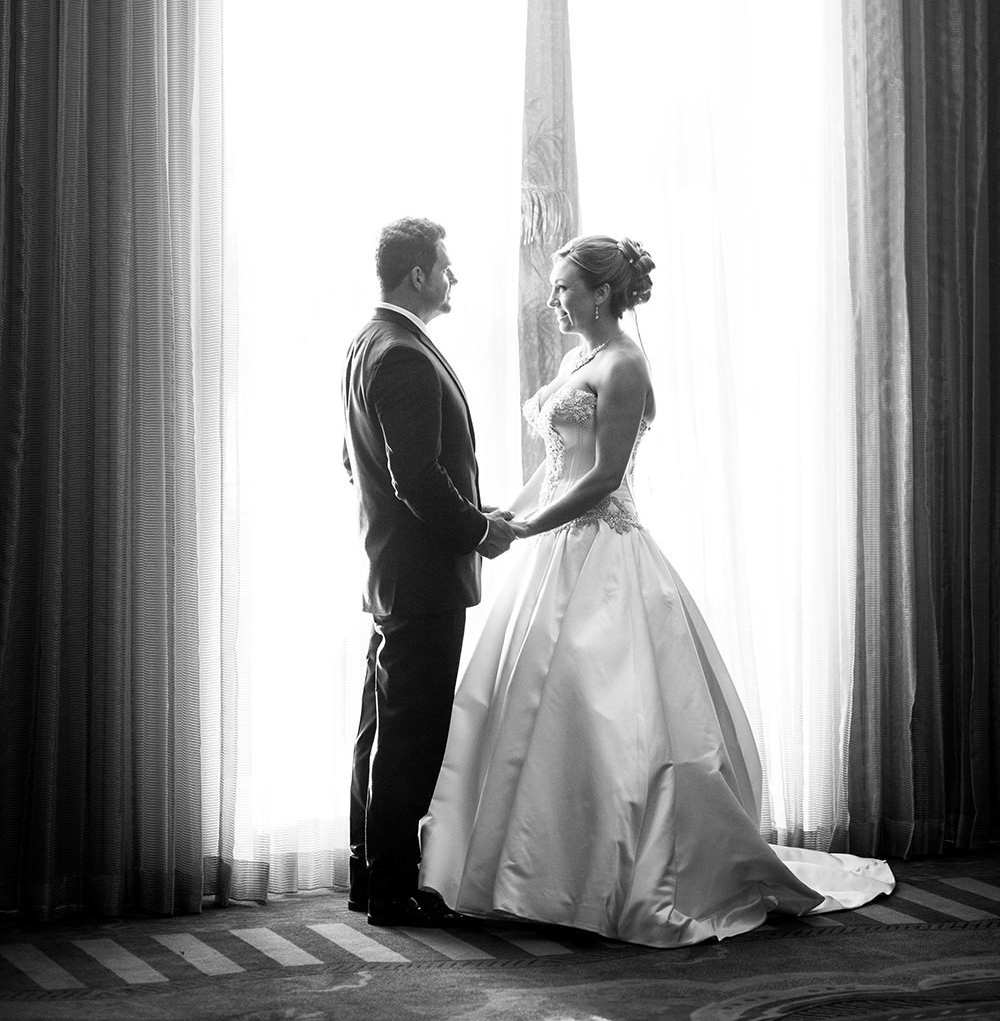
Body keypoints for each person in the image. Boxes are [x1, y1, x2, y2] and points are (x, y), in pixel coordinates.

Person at [419, 234, 894, 947]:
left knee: (605, 711)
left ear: (602, 293)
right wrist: (507, 518)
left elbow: (603, 478)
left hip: (603, 551)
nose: (553, 300)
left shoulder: (626, 363)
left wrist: (524, 530)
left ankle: (608, 877)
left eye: (563, 288)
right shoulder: (577, 359)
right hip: (554, 546)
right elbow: (556, 466)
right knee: (529, 709)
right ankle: (527, 872)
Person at [342, 216, 516, 929]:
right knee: (410, 736)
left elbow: (359, 461)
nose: (454, 277)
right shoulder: (404, 354)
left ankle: (369, 875)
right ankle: (392, 890)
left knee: (381, 729)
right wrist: (477, 530)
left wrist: (471, 507)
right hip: (420, 578)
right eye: (446, 266)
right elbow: (414, 475)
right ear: (418, 274)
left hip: (394, 569)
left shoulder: (370, 343)